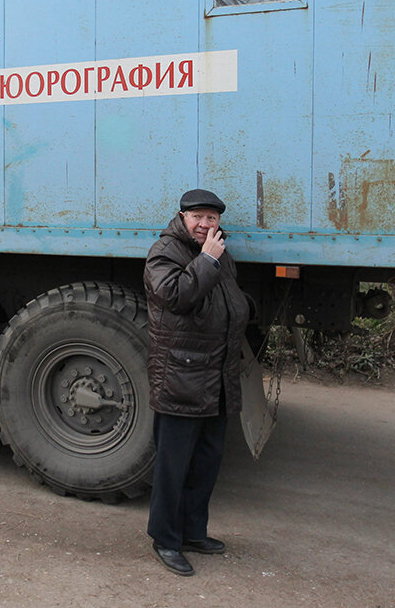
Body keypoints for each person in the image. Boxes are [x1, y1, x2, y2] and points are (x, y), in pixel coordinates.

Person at [143, 188, 250, 576]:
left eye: (212, 218)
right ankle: (165, 539)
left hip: (215, 377)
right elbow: (176, 296)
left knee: (205, 463)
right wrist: (207, 259)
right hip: (181, 377)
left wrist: (247, 309)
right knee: (173, 467)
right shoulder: (164, 252)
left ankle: (192, 532)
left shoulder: (218, 253)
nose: (205, 224)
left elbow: (227, 299)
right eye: (198, 217)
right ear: (182, 218)